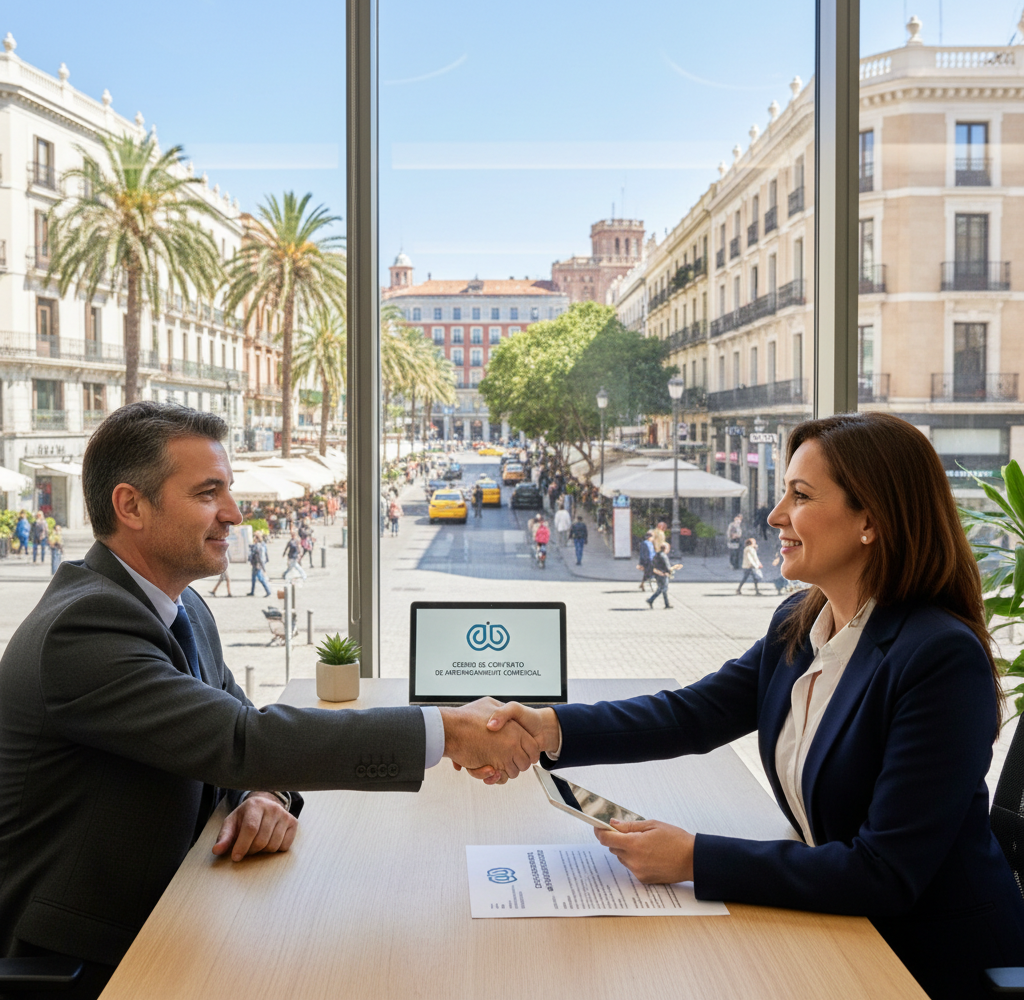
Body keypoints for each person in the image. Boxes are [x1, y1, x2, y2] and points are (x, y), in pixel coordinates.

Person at [0, 402, 542, 997]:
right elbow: (244, 742)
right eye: (209, 494)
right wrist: (448, 730)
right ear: (130, 505)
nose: (234, 514)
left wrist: (264, 792)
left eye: (228, 490)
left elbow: (235, 729)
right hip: (90, 958)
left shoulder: (183, 608)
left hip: (182, 910)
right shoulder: (84, 629)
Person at [482, 412, 1024, 1000]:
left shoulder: (939, 658)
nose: (775, 516)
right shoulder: (799, 622)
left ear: (870, 519)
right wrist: (546, 727)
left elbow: (885, 874)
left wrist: (693, 857)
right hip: (838, 928)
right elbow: (690, 714)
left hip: (928, 960)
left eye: (801, 495)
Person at [646, 543, 681, 609]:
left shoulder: (657, 555)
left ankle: (657, 601)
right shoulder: (663, 556)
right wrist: (670, 571)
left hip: (657, 574)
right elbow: (666, 566)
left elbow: (653, 564)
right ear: (665, 549)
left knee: (661, 589)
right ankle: (654, 601)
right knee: (663, 589)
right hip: (663, 574)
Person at [248, 530, 272, 597]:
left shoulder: (258, 546)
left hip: (257, 565)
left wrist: (263, 568)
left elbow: (260, 558)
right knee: (253, 578)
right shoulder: (258, 545)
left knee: (260, 578)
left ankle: (268, 591)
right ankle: (252, 591)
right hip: (255, 564)